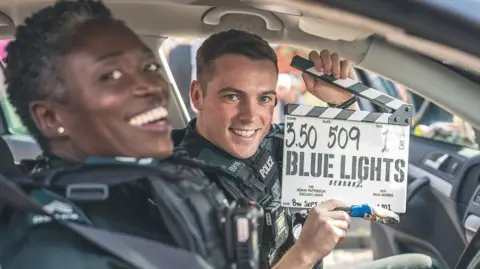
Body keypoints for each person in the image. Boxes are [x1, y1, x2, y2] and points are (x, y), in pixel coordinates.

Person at [0, 2, 263, 269]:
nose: (153, 88)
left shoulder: (160, 184)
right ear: (51, 117)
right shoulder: (48, 243)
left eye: (148, 68)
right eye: (112, 75)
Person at [173, 30, 442, 269]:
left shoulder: (273, 141)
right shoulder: (177, 188)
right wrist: (304, 253)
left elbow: (362, 173)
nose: (250, 116)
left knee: (422, 265)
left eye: (264, 98)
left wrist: (343, 104)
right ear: (197, 95)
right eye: (232, 96)